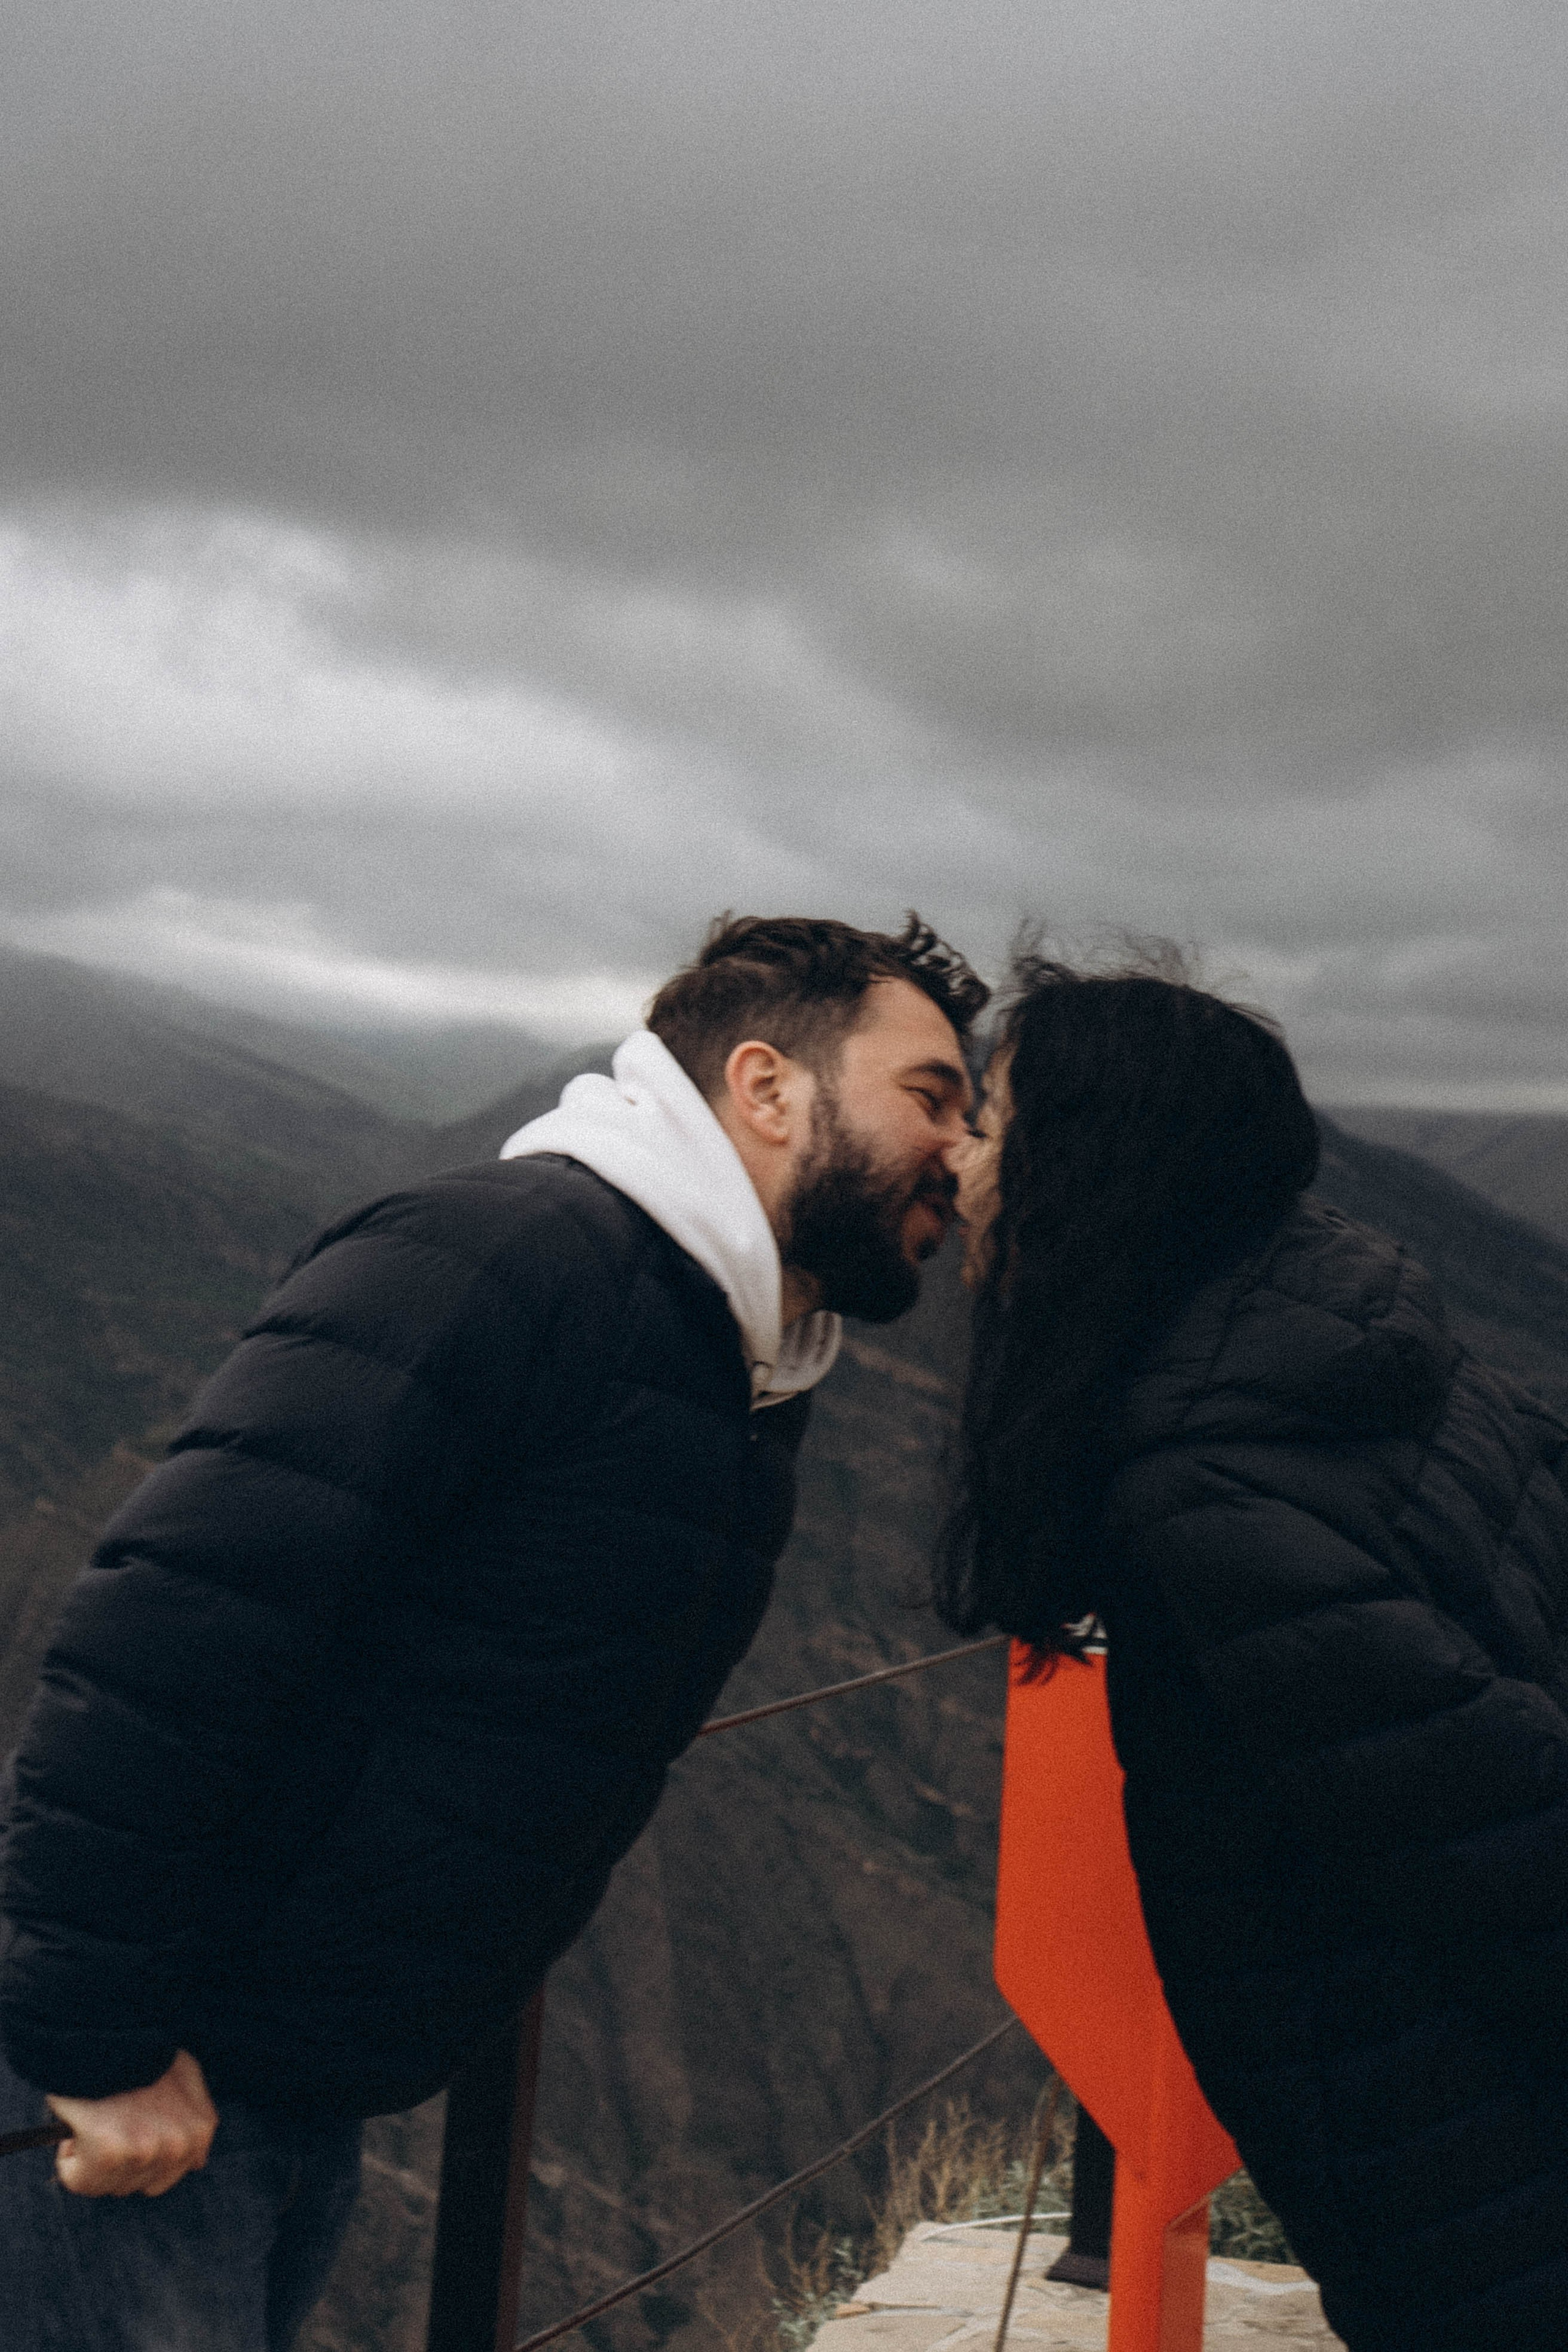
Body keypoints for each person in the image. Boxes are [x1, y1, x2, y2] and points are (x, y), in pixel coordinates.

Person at [0, 912, 986, 2352]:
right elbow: (167, 1631)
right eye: (931, 1097)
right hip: (144, 2080)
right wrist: (92, 2046)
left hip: (289, 2076)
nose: (960, 1155)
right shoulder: (501, 1260)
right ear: (767, 1090)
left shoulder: (738, 1358)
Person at [941, 944, 1568, 2352]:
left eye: (987, 1123)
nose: (957, 1163)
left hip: (1466, 2175)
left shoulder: (1207, 1492)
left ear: (1081, 1172)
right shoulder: (1369, 1366)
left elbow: (1508, 1833)